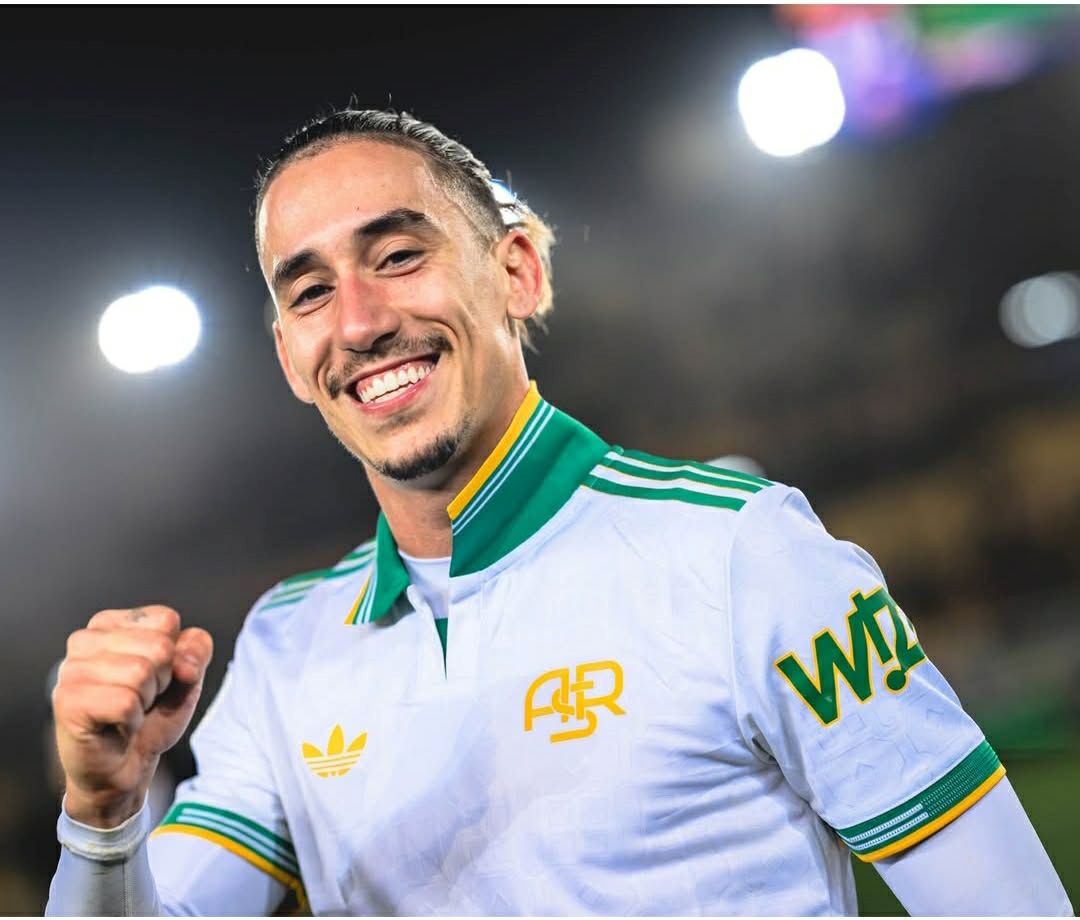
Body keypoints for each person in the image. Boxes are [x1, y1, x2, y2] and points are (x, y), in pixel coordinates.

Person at [47, 108, 1072, 916]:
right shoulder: (284, 648)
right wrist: (103, 812)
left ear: (517, 271)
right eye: (309, 291)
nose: (358, 322)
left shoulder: (740, 550)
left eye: (398, 256)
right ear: (288, 357)